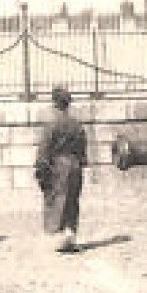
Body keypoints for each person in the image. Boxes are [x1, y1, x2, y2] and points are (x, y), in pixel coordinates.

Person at [34, 87, 87, 254]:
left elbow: (44, 149)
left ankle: (56, 239)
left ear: (54, 104)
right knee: (72, 200)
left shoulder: (51, 125)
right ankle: (70, 236)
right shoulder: (77, 125)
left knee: (55, 199)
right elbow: (83, 150)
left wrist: (41, 169)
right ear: (68, 104)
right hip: (75, 165)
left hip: (57, 165)